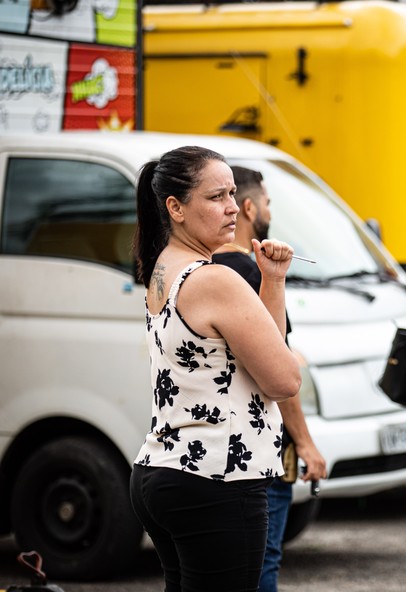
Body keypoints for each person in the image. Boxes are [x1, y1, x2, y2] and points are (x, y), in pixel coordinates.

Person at [129, 146, 302, 592]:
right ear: (176, 207)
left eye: (231, 193)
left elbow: (254, 351)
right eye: (216, 196)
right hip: (217, 476)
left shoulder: (162, 269)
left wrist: (273, 280)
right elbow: (283, 378)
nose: (232, 207)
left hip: (164, 468)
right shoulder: (216, 278)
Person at [212, 166, 327, 592]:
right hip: (260, 448)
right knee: (263, 563)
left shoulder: (202, 271)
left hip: (216, 450)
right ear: (248, 206)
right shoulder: (252, 273)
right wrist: (306, 443)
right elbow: (279, 371)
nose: (269, 211)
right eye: (267, 203)